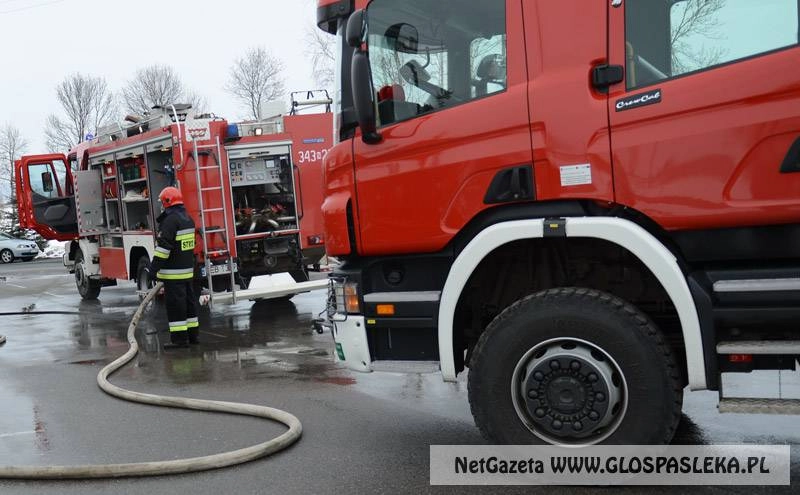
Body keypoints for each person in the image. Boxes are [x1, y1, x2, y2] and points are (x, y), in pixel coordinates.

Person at [149, 187, 199, 348]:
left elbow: (164, 249)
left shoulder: (170, 221)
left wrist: (153, 269)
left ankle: (179, 340)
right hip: (186, 271)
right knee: (190, 304)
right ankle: (193, 336)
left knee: (176, 307)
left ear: (167, 202)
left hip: (173, 274)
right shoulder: (187, 218)